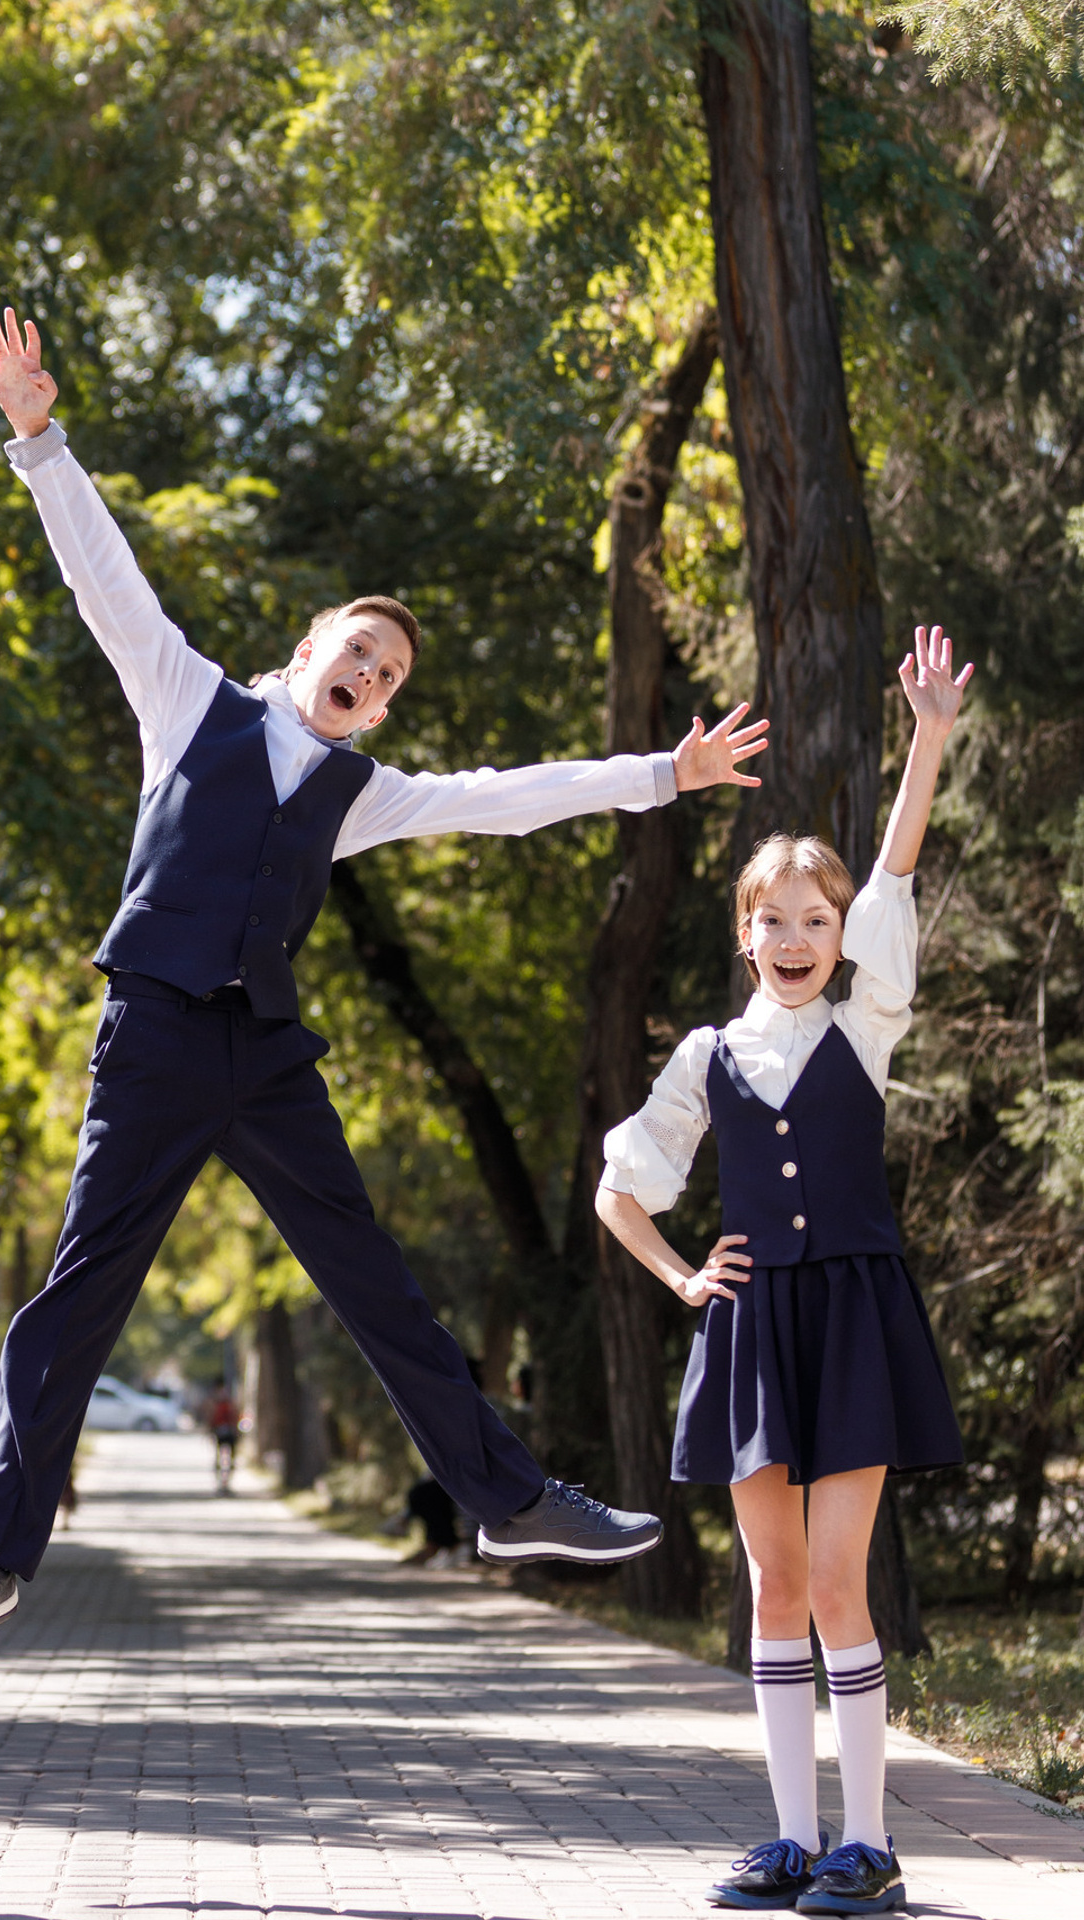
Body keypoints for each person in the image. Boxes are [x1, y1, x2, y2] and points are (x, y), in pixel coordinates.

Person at [0, 309, 771, 1669]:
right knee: (76, 1299)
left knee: (381, 1287)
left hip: (264, 1059)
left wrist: (661, 774)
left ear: (380, 707)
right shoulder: (185, 700)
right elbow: (105, 578)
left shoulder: (361, 794)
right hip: (152, 1039)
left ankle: (509, 1500)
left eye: (388, 676)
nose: (368, 675)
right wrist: (37, 435)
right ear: (305, 649)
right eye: (355, 651)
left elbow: (508, 803)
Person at [595, 627, 971, 1917]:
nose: (801, 934)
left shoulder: (865, 1024)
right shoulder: (707, 1057)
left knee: (837, 1582)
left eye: (817, 918)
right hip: (752, 1327)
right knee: (772, 1586)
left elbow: (899, 870)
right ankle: (793, 1842)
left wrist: (925, 738)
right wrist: (682, 1277)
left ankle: (870, 1844)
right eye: (778, 920)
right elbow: (620, 1186)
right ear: (747, 934)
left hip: (854, 1321)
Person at [205, 1382, 241, 1494]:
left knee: (227, 1459)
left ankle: (225, 1482)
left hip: (227, 1433)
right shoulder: (225, 1404)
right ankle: (222, 1482)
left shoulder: (224, 1404)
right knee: (222, 1458)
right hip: (223, 1433)